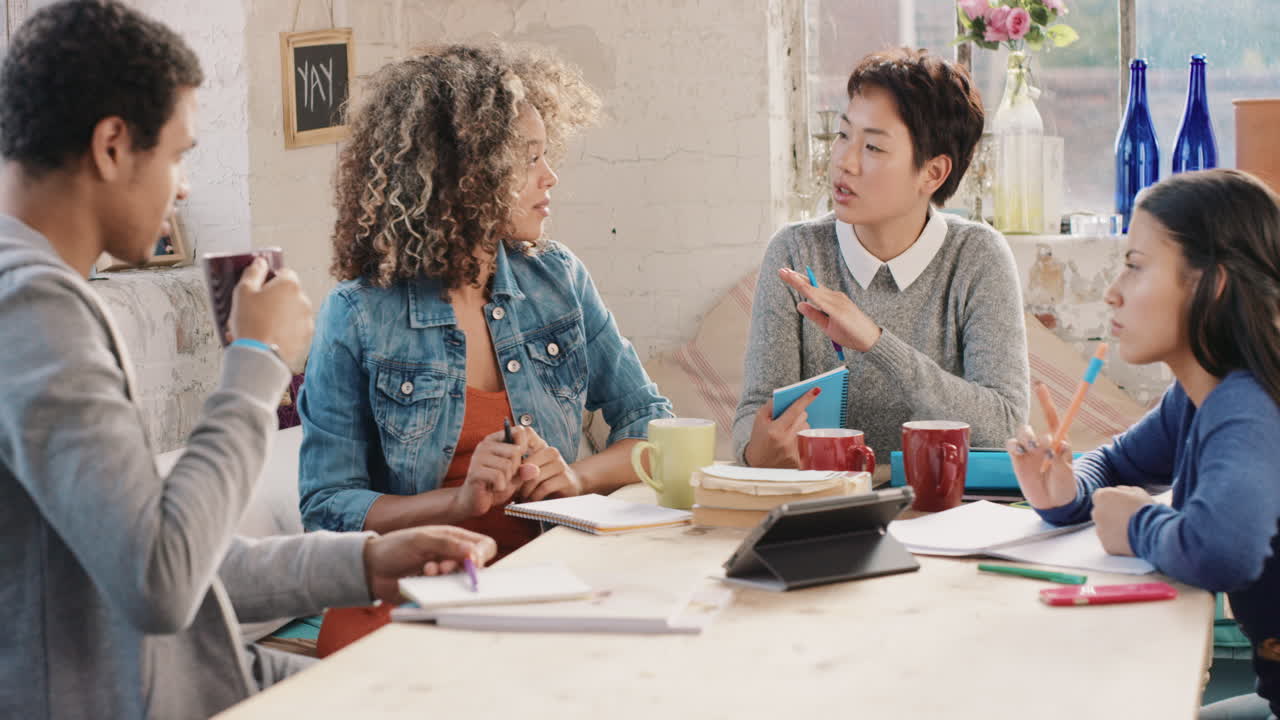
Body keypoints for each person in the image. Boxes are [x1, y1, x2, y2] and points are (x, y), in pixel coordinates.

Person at [0, 3, 495, 718]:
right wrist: (258, 361)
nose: (186, 187)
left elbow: (169, 550)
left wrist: (364, 561)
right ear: (112, 146)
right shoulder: (33, 311)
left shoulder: (41, 301)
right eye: (178, 154)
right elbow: (161, 580)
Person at [298, 45, 672, 651]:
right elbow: (327, 508)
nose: (549, 177)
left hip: (549, 583)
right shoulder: (359, 313)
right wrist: (459, 500)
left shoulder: (559, 280)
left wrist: (575, 478)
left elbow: (654, 428)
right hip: (419, 596)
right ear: (466, 176)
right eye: (528, 160)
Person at [1006, 170, 1280, 720]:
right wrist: (1066, 490)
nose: (1113, 290)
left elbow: (1222, 550)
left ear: (1211, 283)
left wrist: (1136, 525)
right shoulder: (1199, 394)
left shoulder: (1247, 404)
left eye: (1134, 266)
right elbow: (1116, 462)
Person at [734, 47, 1028, 471]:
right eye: (842, 135)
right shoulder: (796, 252)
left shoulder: (978, 257)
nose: (844, 162)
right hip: (822, 514)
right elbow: (755, 414)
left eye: (872, 147)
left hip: (944, 517)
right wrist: (754, 449)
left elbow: (1005, 429)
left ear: (933, 173)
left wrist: (875, 342)